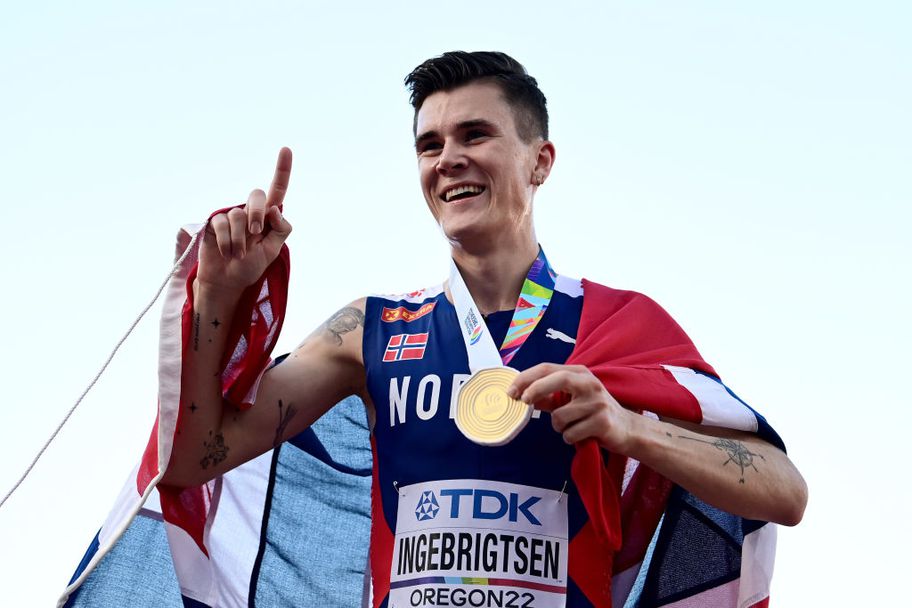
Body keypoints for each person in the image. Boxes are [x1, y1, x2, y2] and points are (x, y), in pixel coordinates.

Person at [160, 51, 807, 607]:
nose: (449, 159)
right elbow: (193, 459)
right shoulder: (369, 330)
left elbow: (785, 491)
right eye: (430, 145)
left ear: (540, 161)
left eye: (475, 135)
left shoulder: (618, 321)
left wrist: (628, 427)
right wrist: (215, 293)